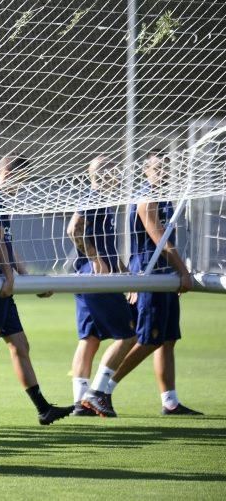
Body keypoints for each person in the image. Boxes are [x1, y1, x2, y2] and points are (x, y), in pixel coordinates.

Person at [0, 155, 73, 427]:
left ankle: (43, 408)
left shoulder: (0, 200)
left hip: (4, 287)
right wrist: (9, 276)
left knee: (20, 345)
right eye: (23, 181)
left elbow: (7, 242)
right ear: (10, 173)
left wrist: (26, 277)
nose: (22, 187)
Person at [106, 150, 202, 416]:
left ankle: (170, 401)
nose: (163, 172)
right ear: (146, 171)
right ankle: (103, 391)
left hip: (164, 276)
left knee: (167, 339)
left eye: (166, 168)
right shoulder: (147, 199)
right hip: (151, 275)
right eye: (157, 168)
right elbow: (159, 239)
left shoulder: (165, 197)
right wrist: (183, 271)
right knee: (147, 339)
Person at [66, 157, 136, 417]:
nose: (117, 174)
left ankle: (79, 402)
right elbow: (73, 229)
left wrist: (124, 272)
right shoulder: (92, 198)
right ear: (100, 174)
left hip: (87, 275)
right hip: (95, 277)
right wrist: (95, 258)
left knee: (90, 339)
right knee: (128, 336)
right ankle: (96, 393)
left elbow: (106, 245)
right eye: (113, 170)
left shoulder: (104, 202)